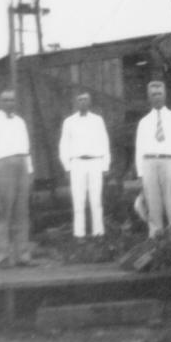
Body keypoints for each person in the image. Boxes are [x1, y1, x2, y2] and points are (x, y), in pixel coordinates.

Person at [0, 89, 34, 268]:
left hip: (22, 166)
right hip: (2, 165)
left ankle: (23, 255)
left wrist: (30, 171)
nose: (9, 103)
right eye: (5, 100)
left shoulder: (21, 122)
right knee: (4, 212)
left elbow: (26, 150)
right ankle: (3, 256)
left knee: (22, 213)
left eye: (12, 100)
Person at [134, 81, 171, 237]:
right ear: (149, 98)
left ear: (165, 95)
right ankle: (155, 232)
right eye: (153, 95)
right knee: (153, 200)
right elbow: (139, 149)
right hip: (149, 163)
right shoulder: (143, 122)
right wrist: (140, 174)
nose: (157, 97)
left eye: (159, 94)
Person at [58, 92, 111, 238]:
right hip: (77, 164)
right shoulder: (69, 122)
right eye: (80, 100)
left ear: (90, 102)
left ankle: (99, 233)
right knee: (78, 200)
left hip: (95, 162)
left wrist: (105, 165)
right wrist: (67, 166)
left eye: (85, 100)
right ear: (76, 102)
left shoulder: (98, 120)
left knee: (96, 200)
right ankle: (79, 235)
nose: (83, 102)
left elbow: (104, 142)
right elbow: (64, 145)